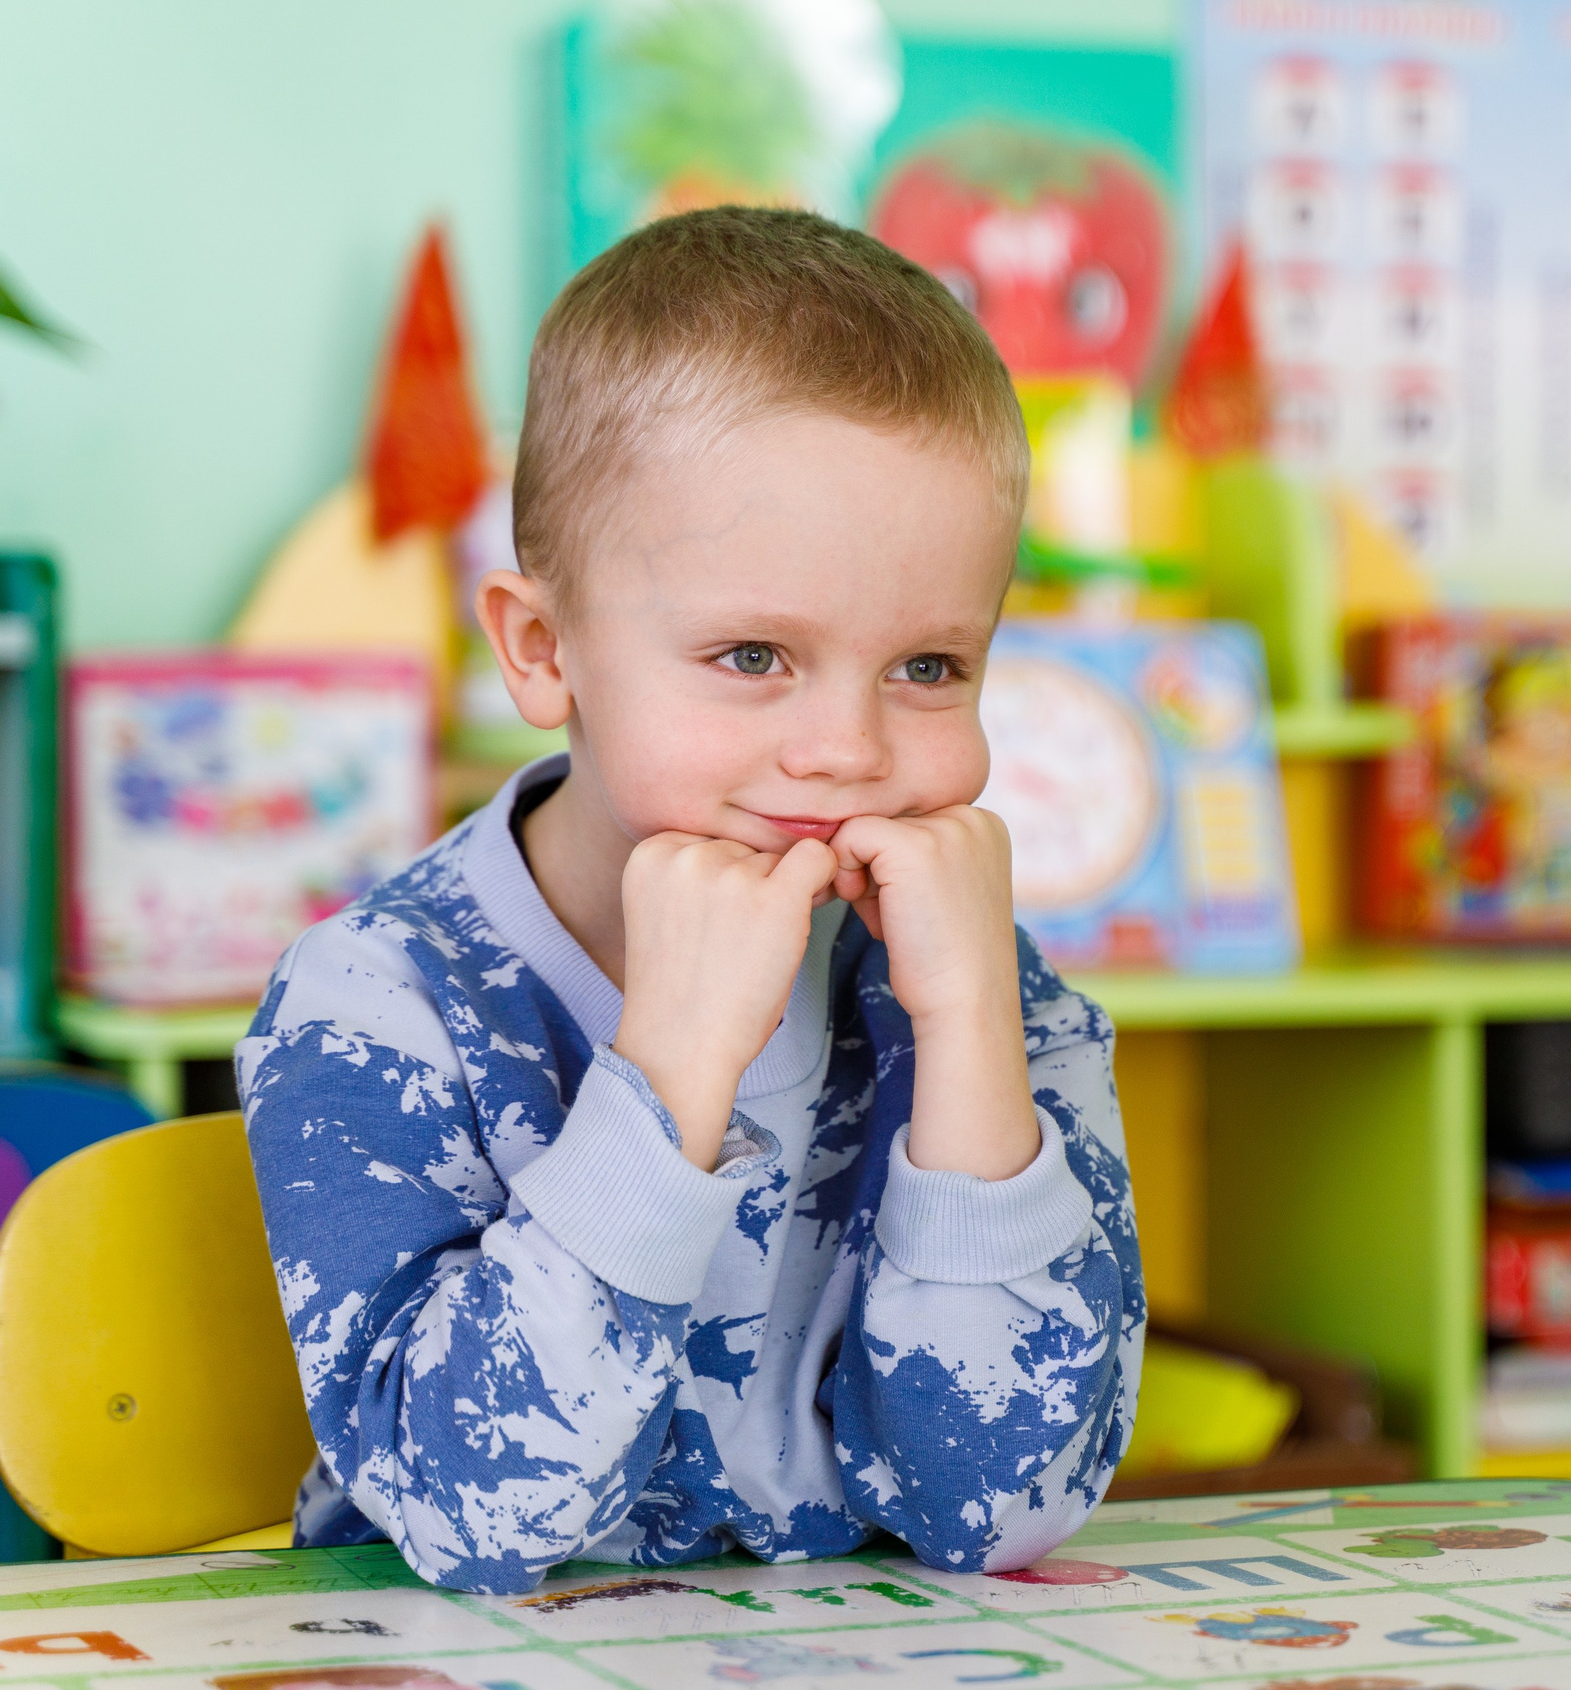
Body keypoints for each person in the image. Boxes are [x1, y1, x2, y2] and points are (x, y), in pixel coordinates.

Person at [236, 207, 1142, 1597]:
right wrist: (670, 1068)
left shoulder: (994, 997)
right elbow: (482, 1522)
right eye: (752, 655)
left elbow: (1001, 1509)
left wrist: (968, 1046)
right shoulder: (377, 1006)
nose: (847, 747)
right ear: (544, 651)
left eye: (928, 668)